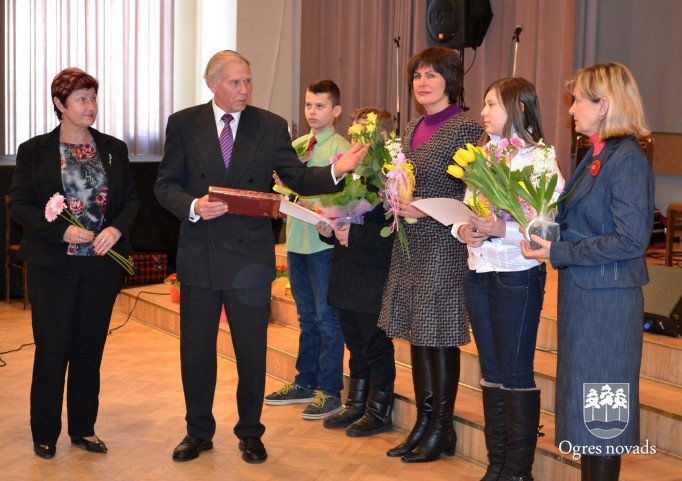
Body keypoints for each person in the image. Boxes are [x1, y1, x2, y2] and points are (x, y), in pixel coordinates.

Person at [154, 50, 368, 465]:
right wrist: (194, 205)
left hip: (249, 260)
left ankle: (250, 432)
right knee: (196, 352)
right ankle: (198, 431)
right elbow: (165, 186)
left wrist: (337, 170)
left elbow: (296, 177)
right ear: (212, 83)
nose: (244, 89)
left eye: (248, 81)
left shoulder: (270, 126)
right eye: (235, 82)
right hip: (200, 255)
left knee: (251, 352)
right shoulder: (183, 123)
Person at [521, 63, 654, 481]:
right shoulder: (595, 153)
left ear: (604, 105)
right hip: (585, 299)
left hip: (608, 307)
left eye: (578, 100)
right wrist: (542, 231)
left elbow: (631, 240)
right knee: (586, 412)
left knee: (603, 417)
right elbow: (583, 222)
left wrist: (559, 250)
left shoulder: (627, 159)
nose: (571, 108)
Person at [9, 68, 139, 459]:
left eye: (93, 97)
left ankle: (83, 428)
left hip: (101, 265)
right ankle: (45, 432)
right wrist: (60, 231)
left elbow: (131, 201)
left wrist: (116, 229)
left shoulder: (113, 148)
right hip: (54, 265)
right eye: (82, 98)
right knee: (52, 349)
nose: (91, 106)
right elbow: (19, 205)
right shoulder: (34, 150)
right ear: (59, 104)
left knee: (89, 349)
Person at [454, 78, 564, 481]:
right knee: (491, 372)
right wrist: (463, 231)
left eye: (492, 104)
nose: (483, 112)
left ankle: (518, 471)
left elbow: (547, 228)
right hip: (479, 273)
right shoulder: (482, 156)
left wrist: (502, 229)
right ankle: (496, 463)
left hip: (517, 276)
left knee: (515, 373)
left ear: (518, 108)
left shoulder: (540, 159)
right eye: (484, 104)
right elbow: (465, 211)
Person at [377, 46, 483, 463]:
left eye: (432, 75)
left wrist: (425, 207)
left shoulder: (465, 128)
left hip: (443, 242)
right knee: (417, 334)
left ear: (451, 81)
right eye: (418, 75)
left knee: (438, 335)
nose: (422, 82)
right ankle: (423, 423)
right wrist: (395, 196)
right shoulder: (411, 127)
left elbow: (472, 193)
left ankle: (442, 427)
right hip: (409, 243)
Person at [264, 80, 349, 420]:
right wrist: (280, 187)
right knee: (306, 318)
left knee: (327, 319)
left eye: (320, 106)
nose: (312, 112)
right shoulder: (297, 146)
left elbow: (346, 200)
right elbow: (283, 189)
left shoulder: (342, 150)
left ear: (336, 110)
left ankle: (330, 390)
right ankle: (305, 381)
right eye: (309, 105)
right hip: (296, 241)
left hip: (322, 244)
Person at [318, 107, 396, 437]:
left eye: (364, 133)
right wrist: (327, 227)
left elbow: (397, 232)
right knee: (354, 342)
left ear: (384, 137)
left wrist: (356, 234)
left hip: (373, 274)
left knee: (374, 344)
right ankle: (356, 403)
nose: (356, 139)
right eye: (354, 133)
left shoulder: (392, 177)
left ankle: (379, 410)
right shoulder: (349, 172)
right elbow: (338, 219)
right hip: (346, 271)